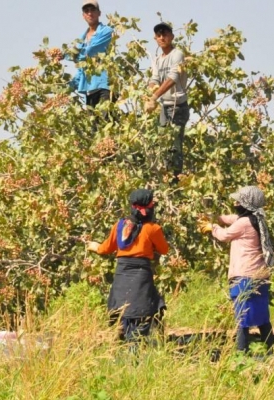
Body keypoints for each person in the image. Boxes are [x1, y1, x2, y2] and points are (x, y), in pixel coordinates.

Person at [199, 186, 274, 354]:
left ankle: (241, 351)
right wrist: (216, 218)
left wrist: (211, 227)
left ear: (246, 204)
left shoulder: (244, 223)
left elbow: (224, 236)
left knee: (242, 314)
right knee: (261, 314)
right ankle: (271, 348)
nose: (235, 203)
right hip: (260, 274)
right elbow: (233, 218)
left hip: (245, 274)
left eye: (238, 201)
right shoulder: (257, 218)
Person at [86, 189, 170, 345]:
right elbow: (164, 250)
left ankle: (125, 350)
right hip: (141, 277)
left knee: (124, 314)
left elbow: (105, 249)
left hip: (121, 278)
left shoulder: (119, 226)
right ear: (150, 208)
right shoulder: (153, 229)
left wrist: (94, 246)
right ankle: (137, 353)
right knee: (142, 313)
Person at [145, 22, 189, 185]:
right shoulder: (157, 59)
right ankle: (165, 180)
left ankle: (175, 184)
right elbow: (154, 79)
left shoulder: (177, 54)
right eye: (158, 35)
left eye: (165, 34)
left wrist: (155, 96)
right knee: (163, 145)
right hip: (165, 107)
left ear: (172, 36)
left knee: (175, 147)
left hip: (178, 106)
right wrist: (150, 94)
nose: (162, 37)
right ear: (155, 38)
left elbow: (173, 78)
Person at [70, 0, 114, 134]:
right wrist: (66, 87)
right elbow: (81, 69)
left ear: (99, 13)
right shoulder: (81, 39)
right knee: (94, 131)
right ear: (83, 15)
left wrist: (66, 55)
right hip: (89, 90)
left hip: (104, 86)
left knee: (107, 127)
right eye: (86, 11)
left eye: (92, 10)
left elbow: (91, 51)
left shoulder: (106, 31)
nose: (90, 13)